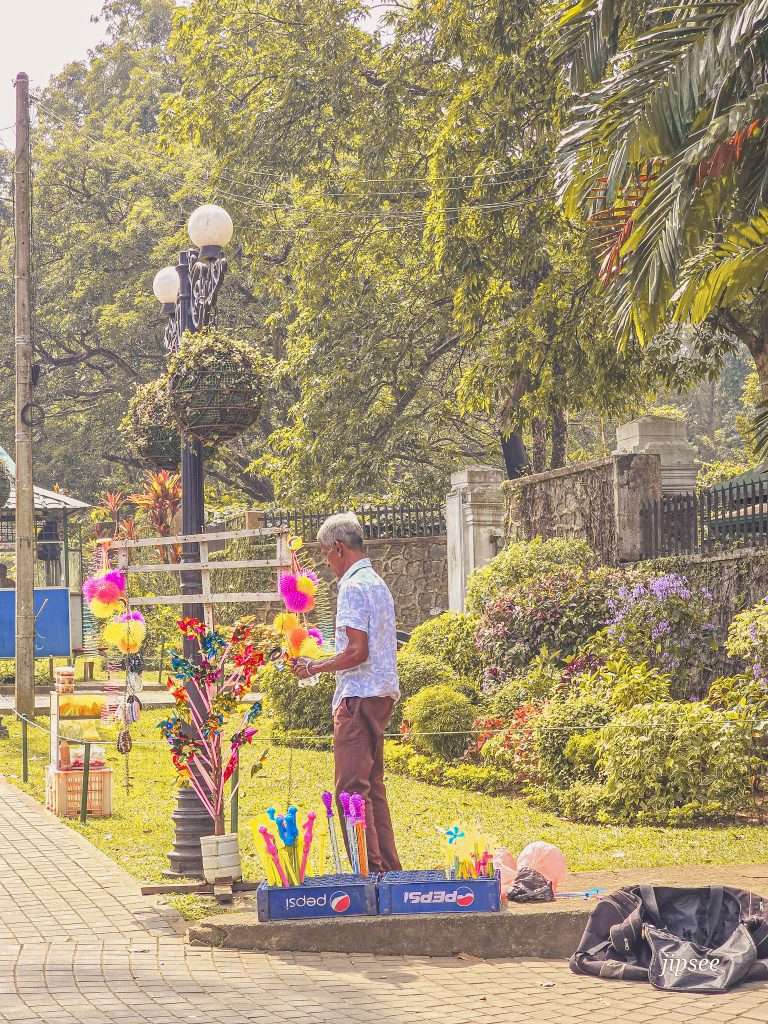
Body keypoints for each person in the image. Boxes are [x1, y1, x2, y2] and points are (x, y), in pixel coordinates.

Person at [292, 512, 402, 873]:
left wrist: (313, 667)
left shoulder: (353, 587)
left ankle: (367, 872)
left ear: (338, 548)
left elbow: (357, 651)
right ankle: (386, 868)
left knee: (351, 792)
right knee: (372, 787)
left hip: (358, 696)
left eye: (326, 554)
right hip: (380, 693)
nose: (327, 563)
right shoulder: (377, 583)